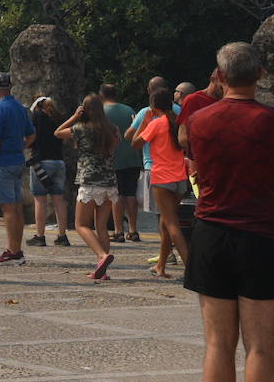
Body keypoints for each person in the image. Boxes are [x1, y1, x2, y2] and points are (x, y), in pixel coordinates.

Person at [183, 42, 274, 382]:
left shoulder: (198, 122)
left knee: (218, 345)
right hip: (261, 236)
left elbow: (197, 173)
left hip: (212, 233)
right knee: (261, 350)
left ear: (219, 76)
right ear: (260, 75)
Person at [56, 93, 119, 280]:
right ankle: (102, 271)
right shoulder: (113, 129)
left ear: (86, 109)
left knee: (81, 224)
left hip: (90, 181)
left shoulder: (81, 128)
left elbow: (58, 132)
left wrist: (75, 116)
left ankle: (102, 256)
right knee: (102, 227)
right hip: (109, 183)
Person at [137, 88, 190, 279]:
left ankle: (192, 269)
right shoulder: (177, 122)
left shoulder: (156, 123)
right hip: (179, 178)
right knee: (167, 223)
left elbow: (136, 143)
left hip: (162, 178)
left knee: (171, 224)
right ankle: (161, 265)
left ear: (153, 105)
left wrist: (144, 122)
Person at [0, 73, 35, 265]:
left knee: (8, 208)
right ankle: (17, 249)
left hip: (2, 162)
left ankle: (12, 251)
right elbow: (31, 135)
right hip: (17, 160)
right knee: (17, 206)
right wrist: (19, 147)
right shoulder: (19, 107)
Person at [26, 97, 70, 248]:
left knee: (40, 200)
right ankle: (62, 236)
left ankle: (40, 236)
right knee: (59, 200)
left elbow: (31, 136)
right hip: (59, 161)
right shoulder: (58, 117)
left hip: (42, 162)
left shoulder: (37, 116)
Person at [101, 83, 142, 241]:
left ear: (102, 95)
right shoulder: (129, 110)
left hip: (113, 158)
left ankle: (118, 231)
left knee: (116, 195)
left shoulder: (102, 112)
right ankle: (133, 229)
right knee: (130, 194)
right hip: (132, 157)